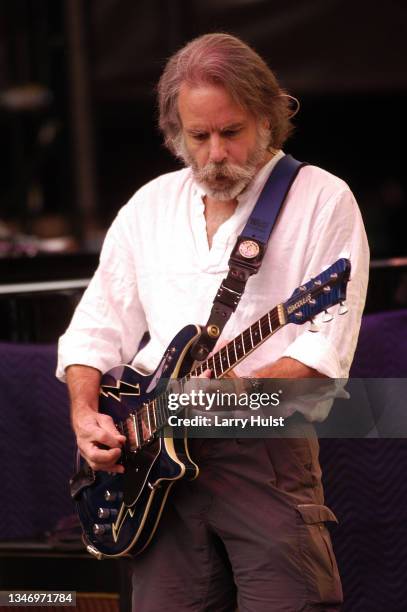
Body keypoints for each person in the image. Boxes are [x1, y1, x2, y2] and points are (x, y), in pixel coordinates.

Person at [57, 33, 369, 611]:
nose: (216, 154)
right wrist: (85, 416)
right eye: (198, 137)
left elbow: (325, 355)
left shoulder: (323, 199)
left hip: (265, 453)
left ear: (270, 120)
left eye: (232, 132)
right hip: (151, 462)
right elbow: (93, 331)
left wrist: (236, 395)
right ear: (176, 134)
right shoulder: (148, 205)